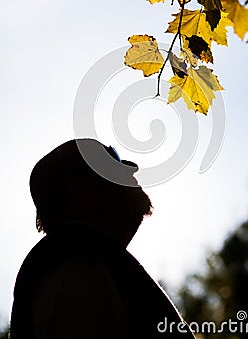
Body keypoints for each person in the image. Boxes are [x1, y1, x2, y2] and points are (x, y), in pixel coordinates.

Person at [10, 138, 195, 338]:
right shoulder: (78, 264)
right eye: (112, 158)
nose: (132, 168)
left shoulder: (89, 263)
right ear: (80, 187)